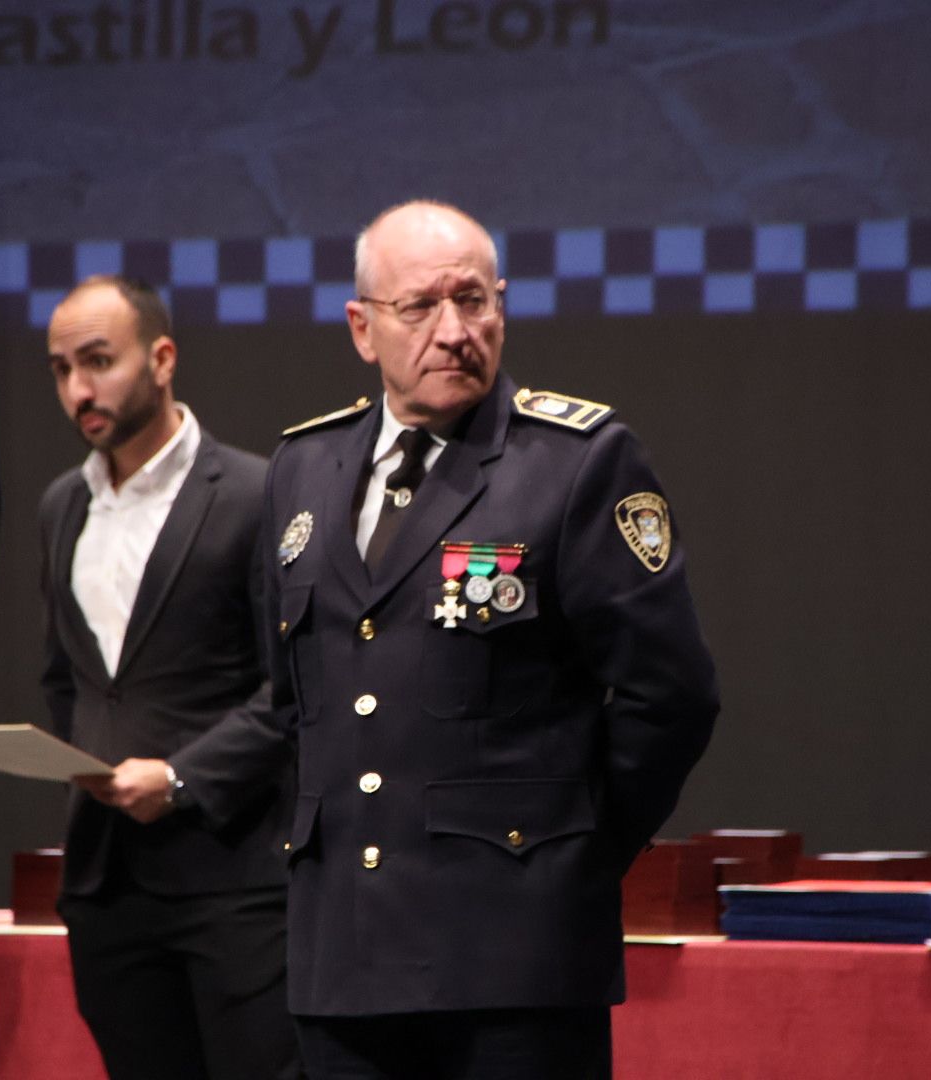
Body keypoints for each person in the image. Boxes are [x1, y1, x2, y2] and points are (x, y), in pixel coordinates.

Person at [264, 200, 720, 1079]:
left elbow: (674, 695)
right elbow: (296, 707)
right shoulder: (302, 471)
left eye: (473, 301)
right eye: (420, 308)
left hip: (515, 966)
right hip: (343, 968)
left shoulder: (574, 463)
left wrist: (565, 851)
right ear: (362, 328)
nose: (454, 331)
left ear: (502, 307)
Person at [41, 274, 298, 1080]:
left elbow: (291, 689)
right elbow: (68, 681)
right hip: (108, 886)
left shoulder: (258, 493)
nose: (78, 389)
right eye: (59, 370)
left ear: (162, 357)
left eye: (97, 361)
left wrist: (184, 777)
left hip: (235, 880)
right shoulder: (62, 506)